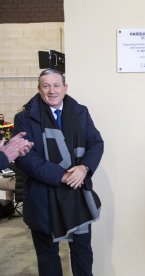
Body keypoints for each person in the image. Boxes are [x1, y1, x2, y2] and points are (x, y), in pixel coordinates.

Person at [13, 68, 104, 276]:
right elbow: (26, 157)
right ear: (39, 89)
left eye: (56, 85)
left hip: (77, 194)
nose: (51, 91)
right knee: (47, 255)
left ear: (65, 88)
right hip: (42, 196)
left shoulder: (80, 112)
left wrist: (84, 167)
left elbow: (96, 143)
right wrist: (62, 175)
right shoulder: (24, 118)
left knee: (82, 251)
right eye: (46, 86)